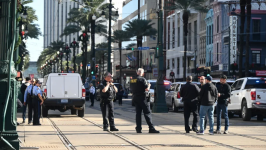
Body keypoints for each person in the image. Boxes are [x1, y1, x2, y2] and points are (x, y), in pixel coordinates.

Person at [131, 68, 159, 133]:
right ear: (142, 73)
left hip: (135, 97)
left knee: (138, 114)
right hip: (142, 98)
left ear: (137, 72)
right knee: (147, 113)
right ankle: (151, 128)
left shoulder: (132, 79)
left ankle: (138, 128)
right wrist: (149, 85)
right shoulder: (142, 79)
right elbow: (146, 89)